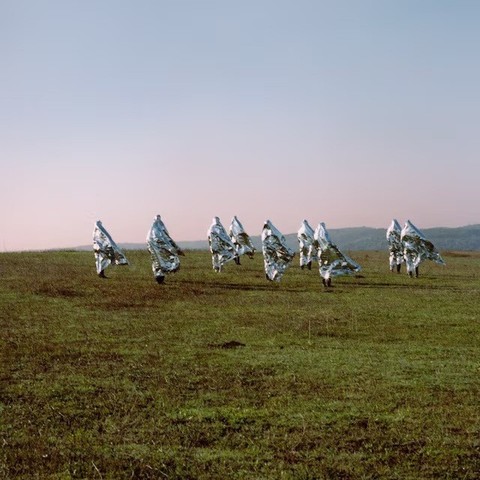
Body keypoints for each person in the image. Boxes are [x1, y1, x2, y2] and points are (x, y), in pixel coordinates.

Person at [313, 222, 361, 287]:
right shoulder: (324, 234)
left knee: (323, 266)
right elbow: (328, 243)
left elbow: (315, 244)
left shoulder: (316, 235)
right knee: (330, 265)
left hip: (320, 254)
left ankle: (324, 278)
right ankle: (327, 278)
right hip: (327, 252)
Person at [147, 215, 184, 284]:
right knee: (158, 261)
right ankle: (160, 278)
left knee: (157, 261)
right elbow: (165, 238)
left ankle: (159, 277)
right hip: (155, 246)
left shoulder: (152, 231)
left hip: (153, 246)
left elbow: (165, 238)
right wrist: (173, 248)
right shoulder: (157, 230)